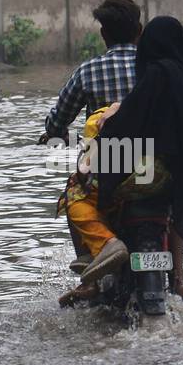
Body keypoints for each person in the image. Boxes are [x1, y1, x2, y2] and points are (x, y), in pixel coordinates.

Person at [85, 16, 183, 303]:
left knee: (83, 193)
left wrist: (105, 132)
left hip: (148, 173)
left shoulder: (157, 75)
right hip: (182, 175)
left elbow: (130, 122)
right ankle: (178, 277)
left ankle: (96, 272)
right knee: (175, 210)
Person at [41, 0, 141, 141]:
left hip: (104, 156)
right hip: (150, 155)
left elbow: (55, 125)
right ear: (139, 30)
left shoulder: (87, 72)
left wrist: (67, 137)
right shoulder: (155, 69)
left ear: (104, 34)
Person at [56, 102, 126, 307]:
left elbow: (60, 117)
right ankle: (179, 278)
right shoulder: (180, 86)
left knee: (73, 195)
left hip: (108, 180)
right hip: (158, 178)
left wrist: (55, 131)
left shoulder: (87, 74)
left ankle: (92, 275)